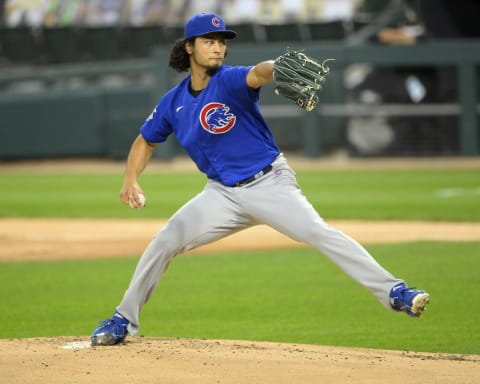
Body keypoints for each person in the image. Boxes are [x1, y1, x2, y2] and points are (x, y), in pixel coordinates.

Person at [91, 12, 430, 346]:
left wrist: (278, 66)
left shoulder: (230, 80)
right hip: (221, 195)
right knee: (165, 241)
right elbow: (146, 140)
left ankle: (395, 292)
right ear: (189, 48)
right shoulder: (173, 102)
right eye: (209, 41)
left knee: (318, 232)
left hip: (270, 184)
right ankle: (123, 319)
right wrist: (130, 179)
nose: (218, 48)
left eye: (222, 42)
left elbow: (258, 73)